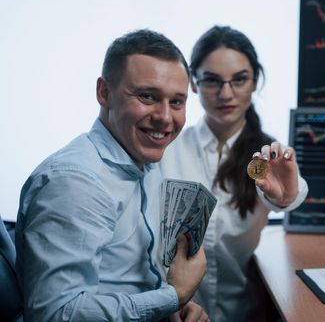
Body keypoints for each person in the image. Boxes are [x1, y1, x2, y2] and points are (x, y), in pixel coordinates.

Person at [15, 29, 210, 322]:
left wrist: (171, 309)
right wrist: (173, 295)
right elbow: (55, 314)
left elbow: (127, 280)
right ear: (104, 93)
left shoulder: (146, 163)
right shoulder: (75, 182)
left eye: (177, 102)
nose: (165, 117)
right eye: (147, 96)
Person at [160, 25, 309, 322]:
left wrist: (287, 196)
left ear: (255, 81)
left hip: (247, 312)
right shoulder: (166, 149)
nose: (225, 94)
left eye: (239, 80)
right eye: (213, 81)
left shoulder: (267, 156)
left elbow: (291, 192)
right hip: (177, 313)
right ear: (193, 83)